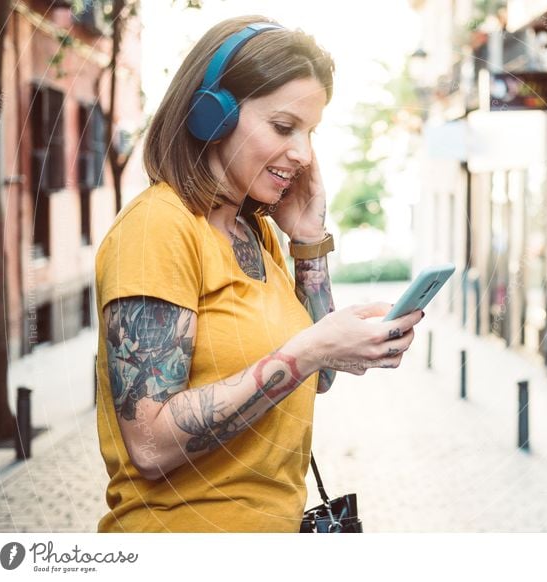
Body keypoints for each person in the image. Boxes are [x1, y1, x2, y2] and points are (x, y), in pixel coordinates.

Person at [94, 15, 424, 533]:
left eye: (311, 132)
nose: (304, 154)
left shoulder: (257, 234)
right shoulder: (157, 228)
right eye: (284, 127)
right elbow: (151, 445)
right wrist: (309, 349)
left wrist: (309, 243)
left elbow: (321, 377)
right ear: (212, 116)